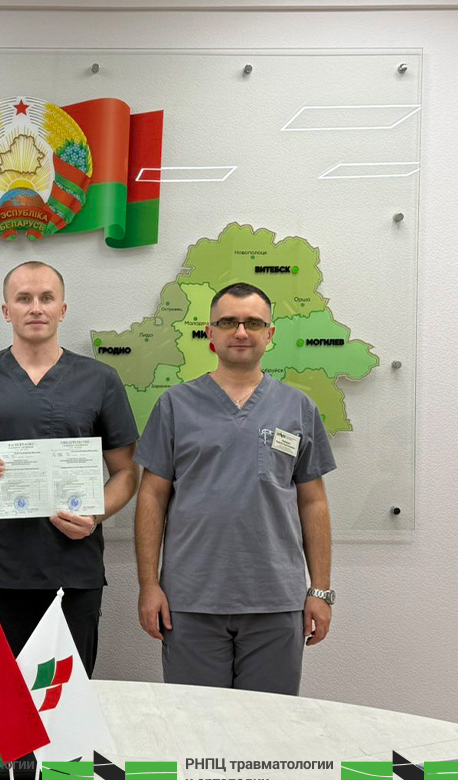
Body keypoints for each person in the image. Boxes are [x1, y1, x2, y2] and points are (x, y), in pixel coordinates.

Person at [0, 260, 139, 675]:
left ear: (63, 309)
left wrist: (95, 514)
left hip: (73, 569)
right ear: (6, 310)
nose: (36, 308)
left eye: (46, 298)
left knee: (66, 697)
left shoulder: (100, 379)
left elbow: (126, 473)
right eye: (24, 299)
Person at [133, 282, 335, 696]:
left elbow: (313, 502)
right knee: (196, 722)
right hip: (189, 601)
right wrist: (148, 585)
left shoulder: (298, 408)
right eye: (228, 322)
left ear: (270, 333)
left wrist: (320, 590)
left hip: (276, 602)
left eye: (253, 323)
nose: (241, 332)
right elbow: (151, 497)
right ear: (209, 332)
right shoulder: (174, 405)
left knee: (268, 724)